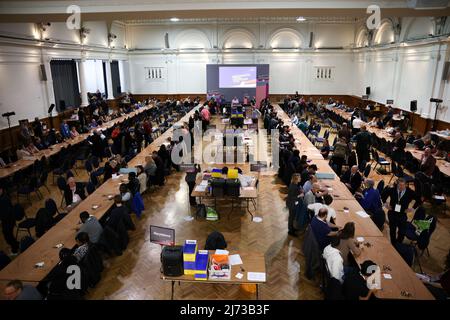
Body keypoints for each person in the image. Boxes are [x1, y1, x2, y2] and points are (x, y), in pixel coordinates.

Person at [381, 178, 421, 244]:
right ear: (397, 184)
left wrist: (412, 209)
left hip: (402, 214)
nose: (401, 187)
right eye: (399, 185)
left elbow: (419, 199)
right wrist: (385, 204)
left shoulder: (409, 192)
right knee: (392, 231)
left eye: (403, 185)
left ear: (406, 185)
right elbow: (383, 194)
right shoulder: (392, 190)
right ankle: (393, 244)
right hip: (392, 213)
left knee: (402, 232)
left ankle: (399, 244)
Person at [0, 185, 19, 255]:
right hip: (10, 219)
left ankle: (15, 250)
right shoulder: (5, 196)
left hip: (8, 220)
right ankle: (16, 244)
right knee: (9, 235)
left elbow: (4, 212)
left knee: (8, 236)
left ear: (1, 190)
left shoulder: (3, 199)